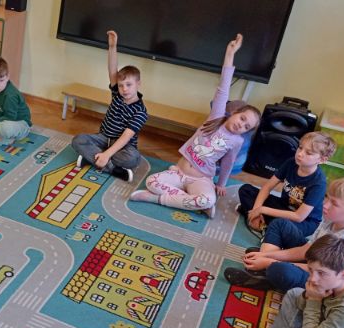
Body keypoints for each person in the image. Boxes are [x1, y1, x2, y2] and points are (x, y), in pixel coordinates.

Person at [130, 34, 260, 216]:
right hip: (178, 173)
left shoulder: (237, 141)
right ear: (235, 113)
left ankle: (156, 198)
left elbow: (228, 163)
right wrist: (230, 54)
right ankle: (192, 202)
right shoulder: (216, 116)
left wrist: (221, 184)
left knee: (208, 199)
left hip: (201, 180)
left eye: (247, 127)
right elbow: (223, 87)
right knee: (152, 182)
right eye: (242, 119)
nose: (241, 125)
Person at [225, 176, 344, 291]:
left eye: (334, 203)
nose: (325, 204)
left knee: (280, 270)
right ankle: (264, 265)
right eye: (327, 198)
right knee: (279, 223)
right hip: (317, 260)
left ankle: (266, 276)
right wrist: (267, 256)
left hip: (326, 283)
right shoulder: (332, 219)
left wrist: (271, 262)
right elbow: (307, 250)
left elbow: (318, 271)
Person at [70, 29, 147, 181]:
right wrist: (112, 47)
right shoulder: (117, 94)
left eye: (129, 85)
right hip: (103, 138)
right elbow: (112, 70)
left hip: (122, 146)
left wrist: (107, 154)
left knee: (132, 158)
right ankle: (113, 169)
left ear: (138, 84)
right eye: (121, 85)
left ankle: (92, 158)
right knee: (78, 140)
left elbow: (125, 138)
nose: (124, 89)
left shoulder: (141, 111)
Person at [236, 131, 335, 241]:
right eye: (300, 148)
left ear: (322, 159)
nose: (300, 154)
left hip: (304, 221)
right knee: (246, 190)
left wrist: (262, 210)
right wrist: (256, 210)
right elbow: (267, 187)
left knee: (282, 224)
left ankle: (261, 223)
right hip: (284, 207)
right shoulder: (291, 163)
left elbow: (299, 217)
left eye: (309, 153)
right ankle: (262, 223)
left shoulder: (319, 183)